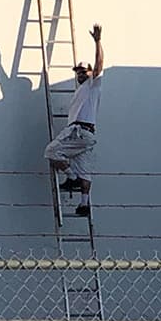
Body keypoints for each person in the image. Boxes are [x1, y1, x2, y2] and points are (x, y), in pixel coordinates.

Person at [43, 24, 103, 217]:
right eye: (77, 72)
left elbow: (100, 63)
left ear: (90, 72)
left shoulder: (93, 84)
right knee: (84, 169)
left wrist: (97, 42)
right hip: (87, 135)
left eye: (83, 71)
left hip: (79, 131)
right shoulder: (82, 90)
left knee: (51, 151)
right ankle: (84, 204)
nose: (80, 74)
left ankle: (71, 176)